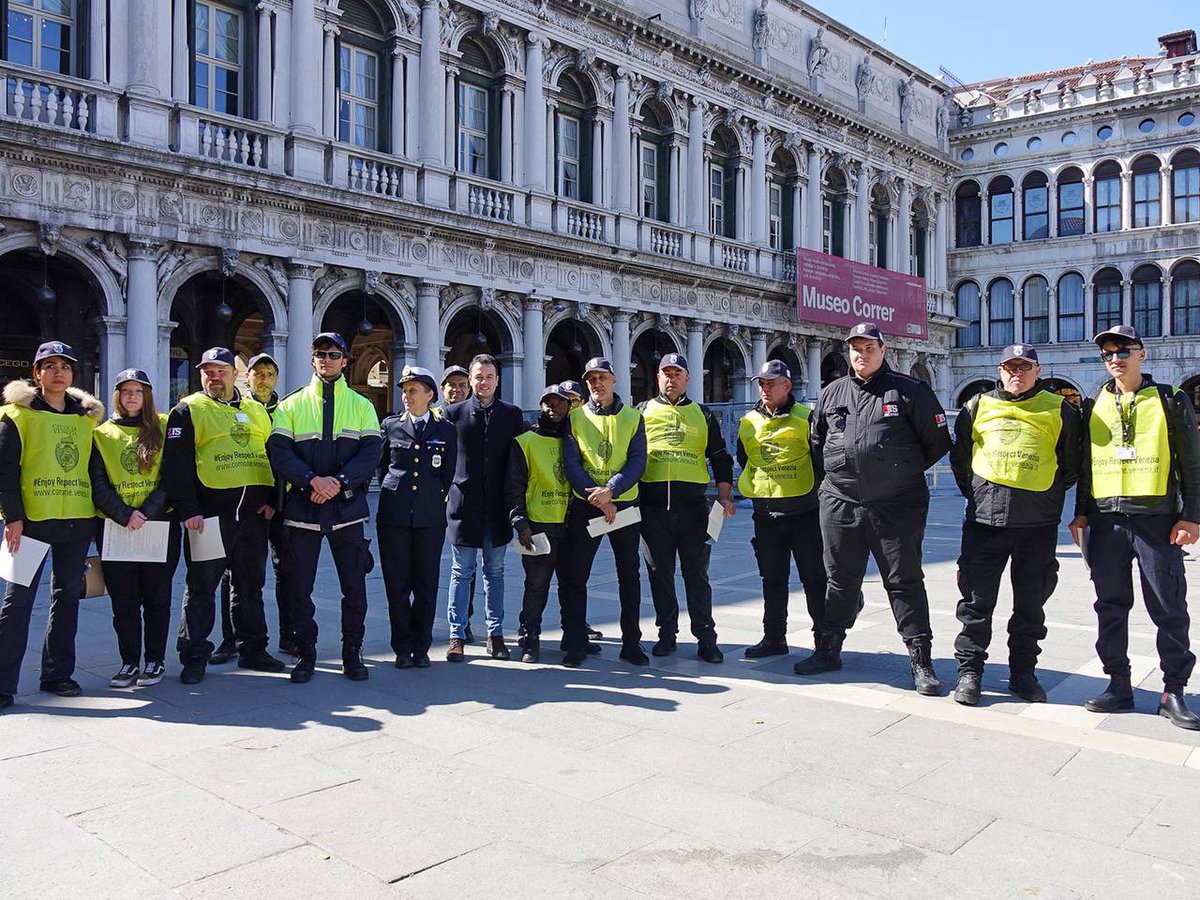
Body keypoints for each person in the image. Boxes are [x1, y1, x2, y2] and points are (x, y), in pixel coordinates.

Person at [1069, 325, 1200, 730]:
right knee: (1110, 605)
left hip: (1157, 519)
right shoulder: (1094, 403)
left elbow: (1191, 463)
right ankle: (1119, 684)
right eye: (1108, 353)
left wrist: (1192, 516)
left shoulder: (1169, 399)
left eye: (1123, 350)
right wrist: (1082, 513)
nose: (1115, 358)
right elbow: (1087, 467)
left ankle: (1172, 691)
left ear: (1142, 354)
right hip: (1107, 521)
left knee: (1168, 606)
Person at [810, 323, 952, 695]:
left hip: (896, 505)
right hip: (841, 503)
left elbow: (936, 442)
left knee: (903, 580)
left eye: (869, 347)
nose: (862, 354)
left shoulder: (910, 391)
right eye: (856, 348)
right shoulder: (831, 393)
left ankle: (920, 659)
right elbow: (817, 443)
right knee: (839, 579)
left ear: (883, 349)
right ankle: (828, 649)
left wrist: (895, 473)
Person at [949, 344, 1082, 706]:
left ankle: (1023, 673)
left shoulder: (1060, 409)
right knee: (976, 603)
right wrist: (979, 491)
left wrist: (1047, 495)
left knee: (1030, 603)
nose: (1017, 374)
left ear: (1037, 371)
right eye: (1010, 367)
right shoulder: (977, 406)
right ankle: (970, 672)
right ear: (1000, 369)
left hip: (1036, 524)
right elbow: (961, 459)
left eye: (1024, 368)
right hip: (984, 522)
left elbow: (1071, 465)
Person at [162, 346, 284, 684]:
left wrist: (274, 500)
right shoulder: (187, 409)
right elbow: (176, 465)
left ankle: (253, 649)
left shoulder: (256, 410)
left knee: (250, 585)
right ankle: (194, 657)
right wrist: (188, 509)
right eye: (208, 371)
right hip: (209, 517)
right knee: (202, 586)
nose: (214, 377)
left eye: (221, 370)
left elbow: (273, 454)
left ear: (235, 374)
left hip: (254, 516)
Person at [268, 334, 382, 684]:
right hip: (304, 508)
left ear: (345, 360)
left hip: (347, 510)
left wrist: (339, 482)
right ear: (312, 360)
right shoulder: (291, 404)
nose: (327, 360)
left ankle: (352, 651)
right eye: (320, 354)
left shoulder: (362, 405)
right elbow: (279, 452)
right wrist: (311, 481)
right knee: (299, 587)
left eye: (334, 354)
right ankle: (306, 652)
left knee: (355, 586)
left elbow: (371, 453)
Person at [0, 341, 104, 709]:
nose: (58, 372)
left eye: (65, 366)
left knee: (68, 598)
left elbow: (94, 468)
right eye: (50, 365)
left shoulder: (85, 417)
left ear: (73, 374)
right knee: (17, 602)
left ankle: (57, 673)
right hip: (29, 523)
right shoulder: (16, 415)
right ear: (37, 373)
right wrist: (11, 516)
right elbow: (5, 470)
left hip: (76, 520)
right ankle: (3, 683)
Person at [638, 353, 734, 663]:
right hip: (652, 511)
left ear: (688, 378)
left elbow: (720, 458)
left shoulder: (703, 415)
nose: (671, 378)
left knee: (697, 576)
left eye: (677, 373)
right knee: (659, 575)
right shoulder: (641, 413)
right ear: (657, 378)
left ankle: (706, 637)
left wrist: (724, 496)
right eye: (666, 373)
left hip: (694, 510)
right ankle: (667, 634)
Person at [735, 360, 828, 666]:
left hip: (804, 513)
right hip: (766, 515)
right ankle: (774, 638)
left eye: (770, 383)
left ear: (787, 386)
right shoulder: (749, 421)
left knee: (814, 580)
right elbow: (743, 456)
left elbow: (822, 460)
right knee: (772, 579)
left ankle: (824, 643)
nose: (764, 389)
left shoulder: (807, 418)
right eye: (761, 384)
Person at [90, 369, 180, 688]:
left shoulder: (164, 426)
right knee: (124, 600)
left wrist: (144, 512)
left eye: (138, 391)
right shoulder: (102, 434)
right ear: (116, 395)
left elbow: (173, 476)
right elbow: (97, 482)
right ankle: (129, 662)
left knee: (157, 597)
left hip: (158, 525)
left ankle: (154, 660)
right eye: (126, 391)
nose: (132, 396)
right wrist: (124, 513)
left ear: (147, 396)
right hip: (116, 528)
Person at [561, 357, 649, 666]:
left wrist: (611, 490)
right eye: (591, 379)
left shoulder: (633, 418)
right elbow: (571, 463)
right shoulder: (575, 418)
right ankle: (575, 642)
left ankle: (631, 643)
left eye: (602, 377)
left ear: (614, 380)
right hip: (588, 505)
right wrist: (599, 498)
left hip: (623, 504)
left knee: (629, 575)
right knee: (576, 576)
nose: (597, 383)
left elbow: (638, 460)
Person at [441, 354, 526, 661]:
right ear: (471, 380)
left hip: (498, 507)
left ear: (497, 380)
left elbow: (521, 460)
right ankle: (457, 634)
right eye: (479, 377)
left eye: (489, 377)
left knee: (495, 572)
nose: (484, 382)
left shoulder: (512, 415)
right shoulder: (453, 413)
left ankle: (495, 633)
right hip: (464, 505)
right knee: (461, 571)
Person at [212, 351, 293, 663]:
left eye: (270, 374)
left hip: (281, 503)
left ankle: (289, 636)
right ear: (246, 377)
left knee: (286, 571)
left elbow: (285, 459)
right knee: (233, 573)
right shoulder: (236, 409)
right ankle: (230, 639)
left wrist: (276, 500)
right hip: (245, 505)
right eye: (258, 374)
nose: (264, 380)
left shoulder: (286, 411)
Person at [377, 366, 457, 668]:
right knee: (396, 585)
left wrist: (430, 500)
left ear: (430, 395)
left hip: (429, 518)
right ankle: (401, 647)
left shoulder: (445, 430)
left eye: (413, 390)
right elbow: (382, 467)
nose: (406, 396)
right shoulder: (391, 426)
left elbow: (447, 474)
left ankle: (421, 647)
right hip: (394, 516)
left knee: (425, 584)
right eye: (404, 390)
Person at [507, 386, 582, 665]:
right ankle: (530, 638)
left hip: (572, 523)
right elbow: (514, 486)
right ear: (541, 406)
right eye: (548, 403)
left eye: (559, 404)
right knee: (536, 586)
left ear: (568, 407)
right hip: (538, 525)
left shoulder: (577, 439)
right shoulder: (525, 441)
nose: (554, 408)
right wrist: (520, 522)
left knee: (572, 585)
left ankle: (573, 638)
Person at [438, 364, 476, 641]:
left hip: (465, 503)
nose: (457, 389)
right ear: (442, 389)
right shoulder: (433, 419)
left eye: (462, 384)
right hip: (434, 501)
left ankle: (464, 620)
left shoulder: (474, 418)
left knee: (465, 567)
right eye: (452, 384)